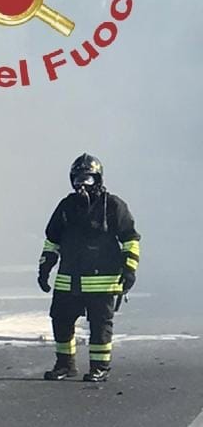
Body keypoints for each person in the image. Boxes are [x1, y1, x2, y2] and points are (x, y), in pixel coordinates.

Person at [38, 154, 140, 384]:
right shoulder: (66, 206)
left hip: (104, 280)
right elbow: (52, 240)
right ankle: (65, 365)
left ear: (98, 179)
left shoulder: (113, 205)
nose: (82, 184)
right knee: (61, 320)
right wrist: (45, 268)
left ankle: (99, 368)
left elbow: (130, 239)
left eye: (88, 178)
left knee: (100, 325)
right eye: (77, 179)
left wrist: (129, 269)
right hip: (69, 279)